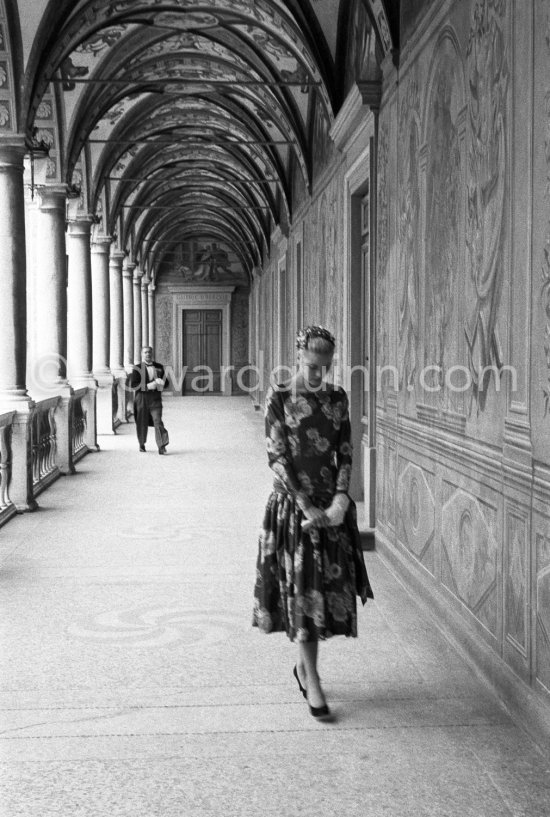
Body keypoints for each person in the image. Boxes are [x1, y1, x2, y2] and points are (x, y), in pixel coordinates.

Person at [252, 325, 373, 720]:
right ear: (298, 357)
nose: (319, 374)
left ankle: (305, 668)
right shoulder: (281, 396)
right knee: (305, 596)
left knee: (323, 592)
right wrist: (305, 506)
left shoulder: (338, 398)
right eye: (312, 365)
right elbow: (276, 454)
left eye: (326, 366)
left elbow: (345, 450)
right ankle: (314, 681)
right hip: (293, 509)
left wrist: (341, 499)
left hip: (330, 508)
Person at [129, 346, 169, 455]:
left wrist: (162, 382)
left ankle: (162, 445)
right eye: (145, 352)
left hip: (155, 398)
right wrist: (148, 386)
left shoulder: (159, 367)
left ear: (152, 354)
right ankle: (141, 443)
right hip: (141, 398)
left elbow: (167, 383)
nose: (148, 354)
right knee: (141, 422)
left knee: (158, 420)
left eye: (149, 352)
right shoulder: (137, 368)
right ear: (142, 354)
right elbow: (133, 385)